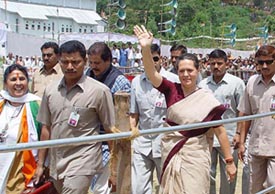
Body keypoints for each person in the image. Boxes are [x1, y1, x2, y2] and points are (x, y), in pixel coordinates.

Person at [133, 25, 236, 194]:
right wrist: (145, 48)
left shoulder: (207, 99)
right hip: (171, 153)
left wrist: (230, 161)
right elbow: (152, 74)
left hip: (196, 157)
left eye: (190, 70)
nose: (186, 74)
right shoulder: (171, 89)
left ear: (198, 70)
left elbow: (221, 132)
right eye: (182, 71)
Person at [33, 40, 116, 194]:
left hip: (83, 160)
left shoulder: (99, 91)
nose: (70, 67)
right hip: (57, 161)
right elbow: (46, 128)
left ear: (85, 62)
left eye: (75, 62)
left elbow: (110, 129)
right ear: (59, 61)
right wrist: (40, 165)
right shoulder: (51, 90)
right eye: (65, 62)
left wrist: (114, 167)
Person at [129, 43, 179, 194]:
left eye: (155, 59)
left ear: (161, 59)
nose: (152, 63)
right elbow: (134, 114)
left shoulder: (173, 80)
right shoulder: (136, 82)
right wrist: (133, 132)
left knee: (167, 187)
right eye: (147, 59)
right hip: (142, 143)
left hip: (165, 143)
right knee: (138, 188)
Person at [86, 41, 131, 194]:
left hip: (109, 143)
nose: (93, 66)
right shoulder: (87, 76)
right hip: (89, 140)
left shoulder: (120, 83)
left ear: (108, 61)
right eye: (90, 62)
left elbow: (124, 117)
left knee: (102, 188)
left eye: (97, 63)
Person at [199, 49, 245, 194]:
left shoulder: (236, 83)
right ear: (208, 65)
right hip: (208, 138)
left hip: (230, 136)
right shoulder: (203, 84)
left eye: (219, 63)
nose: (216, 67)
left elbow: (242, 111)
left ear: (227, 64)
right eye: (212, 64)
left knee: (229, 176)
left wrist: (239, 134)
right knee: (208, 174)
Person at [238, 45, 275, 193]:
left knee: (273, 186)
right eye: (260, 62)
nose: (264, 66)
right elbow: (246, 114)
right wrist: (241, 142)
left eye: (269, 62)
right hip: (256, 146)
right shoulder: (252, 83)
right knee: (254, 188)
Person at [0, 64, 41, 194]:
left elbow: (46, 137)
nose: (18, 83)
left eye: (22, 79)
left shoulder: (37, 106)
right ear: (5, 84)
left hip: (21, 169)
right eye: (13, 80)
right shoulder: (2, 105)